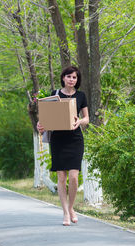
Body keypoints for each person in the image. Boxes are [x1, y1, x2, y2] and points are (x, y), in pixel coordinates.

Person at [37, 66, 89, 226]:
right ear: (63, 78)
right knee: (61, 176)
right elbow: (47, 117)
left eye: (74, 77)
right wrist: (41, 125)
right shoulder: (54, 94)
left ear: (77, 80)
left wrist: (79, 121)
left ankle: (71, 207)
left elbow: (87, 118)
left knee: (73, 177)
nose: (71, 80)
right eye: (69, 77)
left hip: (75, 139)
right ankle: (65, 212)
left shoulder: (81, 96)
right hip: (58, 139)